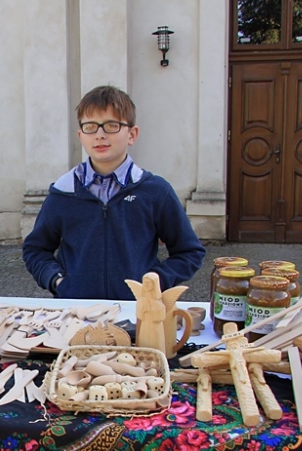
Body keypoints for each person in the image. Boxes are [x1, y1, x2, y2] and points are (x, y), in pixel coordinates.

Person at [22, 85, 205, 300]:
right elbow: (35, 249)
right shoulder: (64, 193)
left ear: (132, 134)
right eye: (90, 127)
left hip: (137, 311)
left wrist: (155, 282)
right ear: (80, 135)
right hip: (77, 311)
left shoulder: (155, 191)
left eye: (111, 125)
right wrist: (58, 281)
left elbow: (189, 252)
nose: (99, 135)